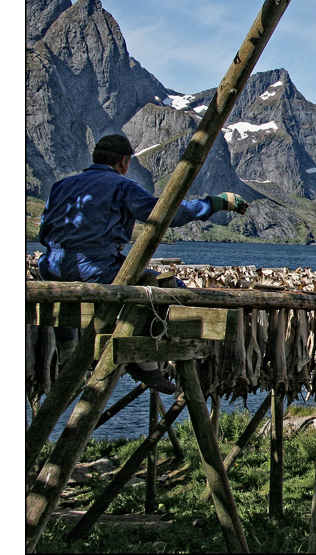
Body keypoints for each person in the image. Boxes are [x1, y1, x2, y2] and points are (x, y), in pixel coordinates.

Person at [37, 134, 249, 393]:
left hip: (51, 268)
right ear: (124, 162)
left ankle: (68, 353)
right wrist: (213, 203)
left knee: (65, 303)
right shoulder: (122, 186)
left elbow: (43, 233)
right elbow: (166, 212)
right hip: (97, 268)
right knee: (165, 288)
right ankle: (143, 360)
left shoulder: (60, 186)